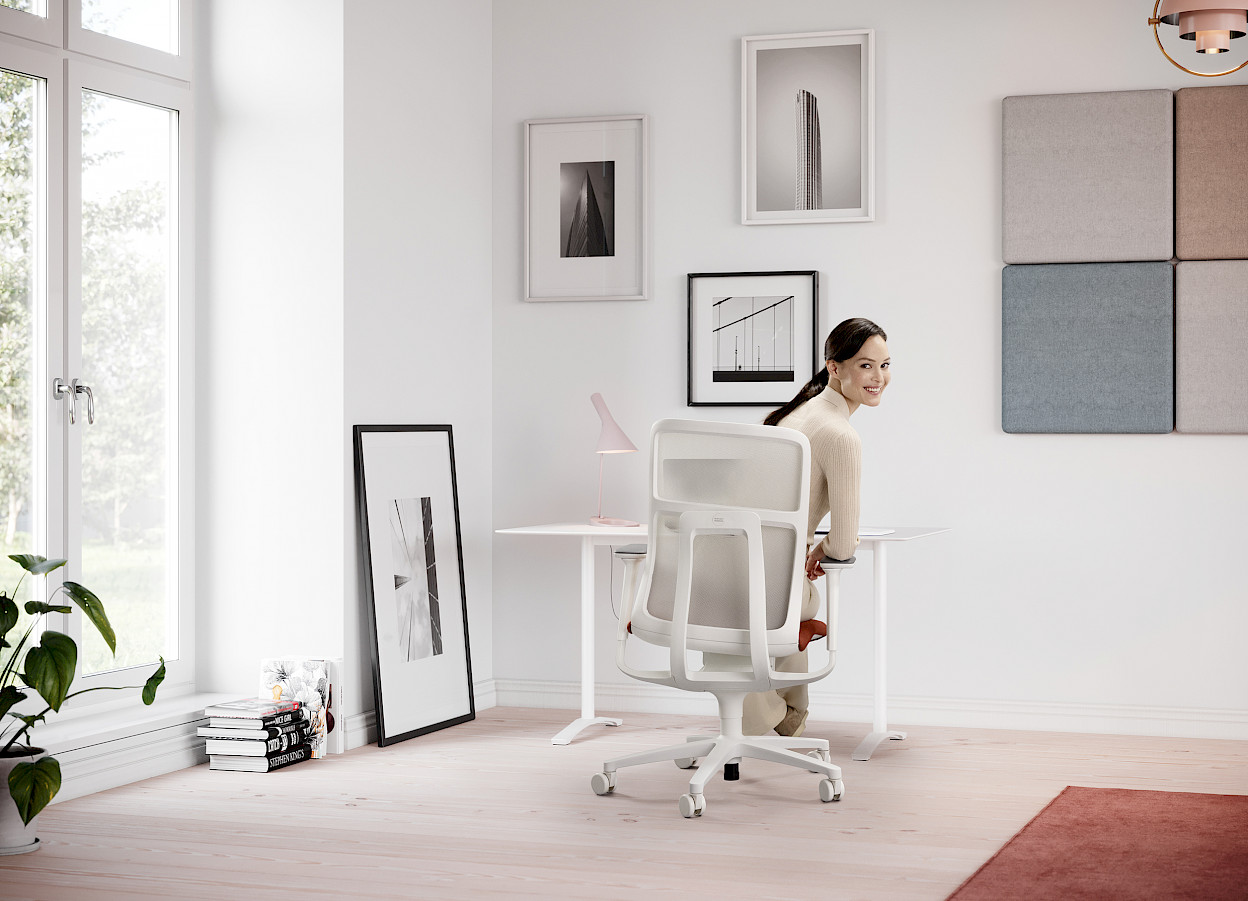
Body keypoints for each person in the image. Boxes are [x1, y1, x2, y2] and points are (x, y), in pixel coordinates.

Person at [741, 317, 890, 737]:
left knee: (776, 615)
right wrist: (826, 549)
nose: (878, 377)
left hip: (723, 578)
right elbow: (843, 544)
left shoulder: (794, 415)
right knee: (795, 605)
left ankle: (788, 714)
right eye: (865, 365)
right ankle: (775, 715)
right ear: (834, 368)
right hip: (775, 586)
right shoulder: (840, 433)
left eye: (885, 364)